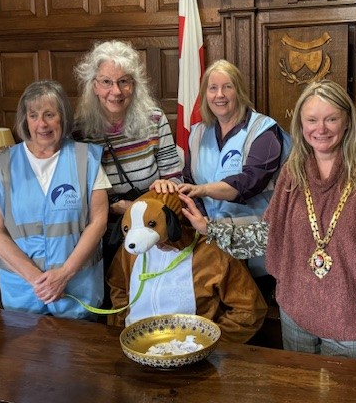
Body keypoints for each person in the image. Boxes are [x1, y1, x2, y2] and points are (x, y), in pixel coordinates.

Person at [180, 79, 356, 360]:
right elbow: (269, 234)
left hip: (351, 312)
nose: (320, 129)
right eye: (311, 120)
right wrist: (210, 228)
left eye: (331, 119)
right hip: (296, 310)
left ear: (347, 121)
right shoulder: (293, 171)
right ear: (301, 125)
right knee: (299, 390)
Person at [0, 80, 110, 320]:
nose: (42, 124)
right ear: (25, 120)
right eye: (34, 115)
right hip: (23, 292)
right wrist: (37, 281)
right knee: (26, 356)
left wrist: (63, 275)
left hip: (77, 289)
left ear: (63, 117)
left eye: (49, 114)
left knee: (79, 356)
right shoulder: (2, 165)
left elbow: (98, 223)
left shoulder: (86, 158)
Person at [72, 40, 183, 301]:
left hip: (155, 231)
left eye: (124, 81)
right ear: (94, 86)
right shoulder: (79, 132)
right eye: (107, 82)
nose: (116, 91)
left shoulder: (155, 119)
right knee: (119, 300)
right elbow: (77, 195)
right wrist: (116, 209)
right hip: (108, 234)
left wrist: (166, 189)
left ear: (135, 85)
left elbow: (173, 176)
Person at [176, 59, 290, 296]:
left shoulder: (264, 131)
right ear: (205, 94)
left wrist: (205, 190)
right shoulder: (197, 133)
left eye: (227, 87)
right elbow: (189, 180)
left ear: (239, 90)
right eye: (213, 88)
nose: (220, 95)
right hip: (210, 246)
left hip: (256, 251)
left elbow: (250, 182)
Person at [106, 191, 267, 343]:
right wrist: (121, 328)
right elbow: (117, 286)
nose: (159, 247)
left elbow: (249, 309)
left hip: (192, 350)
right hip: (135, 345)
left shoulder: (212, 252)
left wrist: (210, 342)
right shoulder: (132, 250)